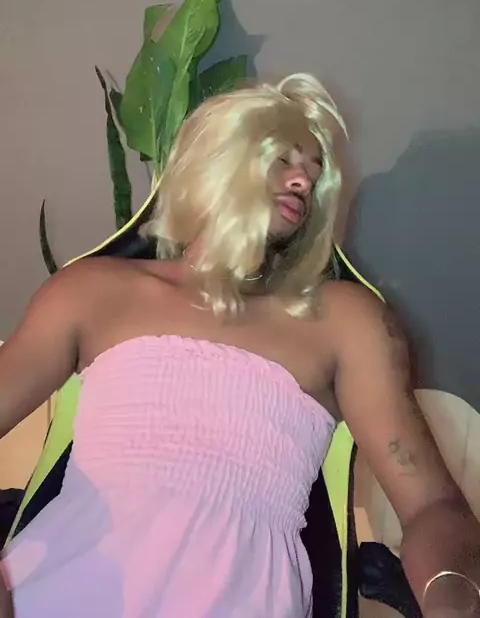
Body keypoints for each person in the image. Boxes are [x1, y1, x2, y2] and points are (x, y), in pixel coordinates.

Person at [0, 72, 479, 618]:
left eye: (314, 173)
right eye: (284, 159)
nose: (303, 181)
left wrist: (454, 601)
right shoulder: (91, 292)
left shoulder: (344, 321)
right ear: (217, 158)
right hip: (54, 592)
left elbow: (433, 507)